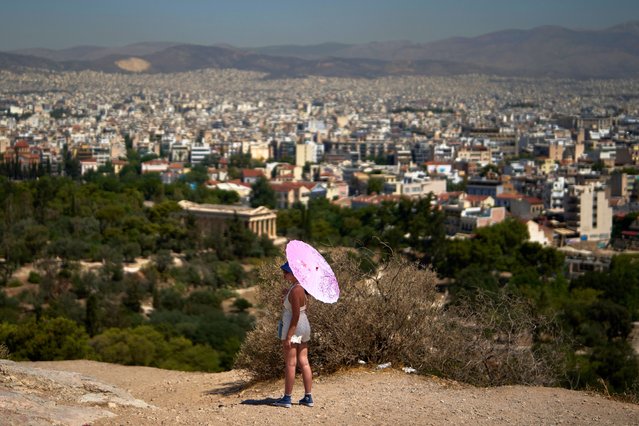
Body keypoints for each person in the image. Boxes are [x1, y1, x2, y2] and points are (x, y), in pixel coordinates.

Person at [273, 261, 314, 408]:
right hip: (304, 327)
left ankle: (287, 398)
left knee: (291, 363)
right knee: (304, 361)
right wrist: (286, 296)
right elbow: (300, 308)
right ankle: (308, 397)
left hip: (294, 328)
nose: (284, 274)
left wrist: (289, 336)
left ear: (295, 273)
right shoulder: (299, 288)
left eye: (286, 272)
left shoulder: (296, 289)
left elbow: (295, 315)